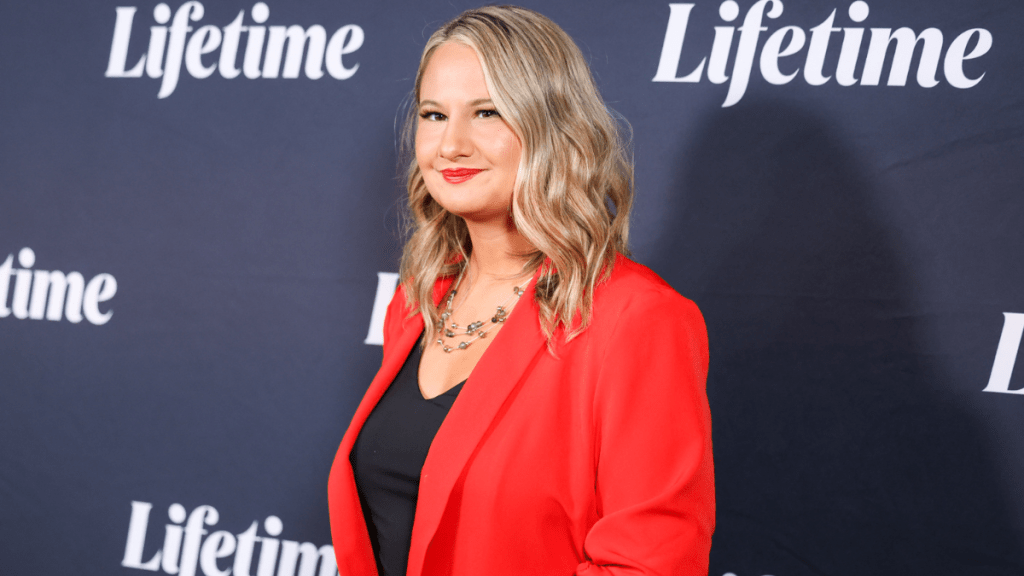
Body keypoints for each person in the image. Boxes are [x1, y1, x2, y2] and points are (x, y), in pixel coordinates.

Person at [328, 6, 714, 575]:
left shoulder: (637, 319)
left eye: (486, 112)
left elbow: (650, 565)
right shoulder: (421, 298)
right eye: (433, 115)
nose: (450, 145)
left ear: (552, 126)